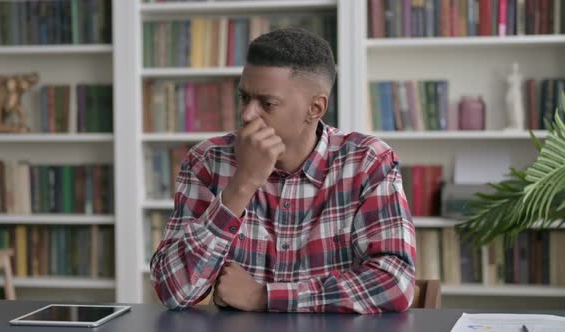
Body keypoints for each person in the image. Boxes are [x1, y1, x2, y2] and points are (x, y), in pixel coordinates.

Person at [150, 27, 416, 314]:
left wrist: (263, 297)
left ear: (315, 108)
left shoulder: (367, 162)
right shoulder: (207, 160)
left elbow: (395, 282)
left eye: (267, 103)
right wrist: (242, 185)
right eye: (244, 98)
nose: (247, 114)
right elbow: (172, 291)